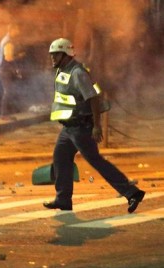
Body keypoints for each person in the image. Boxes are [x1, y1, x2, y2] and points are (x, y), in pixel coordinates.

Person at [44, 38, 145, 213]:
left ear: (66, 54)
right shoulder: (63, 70)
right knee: (60, 158)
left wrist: (96, 126)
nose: (52, 58)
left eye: (56, 55)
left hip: (81, 128)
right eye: (51, 55)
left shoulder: (77, 73)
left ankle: (132, 192)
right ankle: (63, 199)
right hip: (69, 128)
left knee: (96, 161)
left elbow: (93, 98)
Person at [0, 23, 25, 121]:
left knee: (9, 91)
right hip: (5, 70)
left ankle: (6, 113)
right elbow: (8, 57)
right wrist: (18, 56)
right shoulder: (8, 42)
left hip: (4, 69)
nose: (18, 32)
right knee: (8, 92)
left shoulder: (6, 40)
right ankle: (4, 114)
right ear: (11, 30)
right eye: (16, 30)